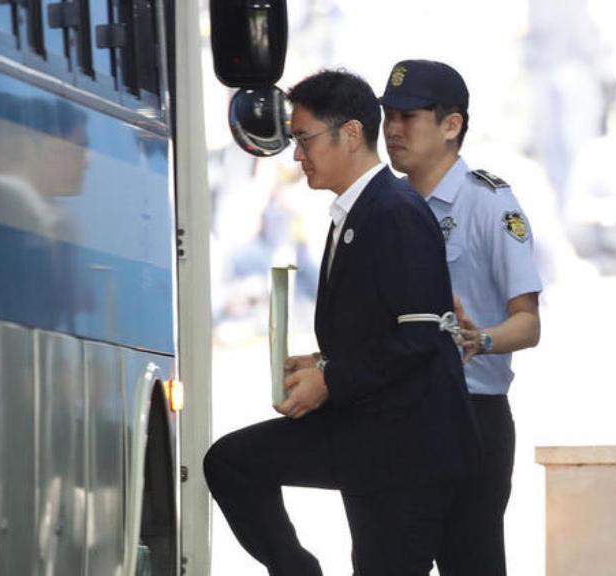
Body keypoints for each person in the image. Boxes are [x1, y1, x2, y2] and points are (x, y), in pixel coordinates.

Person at [203, 69, 478, 576]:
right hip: (366, 430)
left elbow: (418, 336)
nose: (297, 155)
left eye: (304, 139)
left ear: (350, 134)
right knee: (231, 461)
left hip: (407, 446)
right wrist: (323, 361)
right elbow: (380, 327)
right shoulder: (355, 212)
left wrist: (330, 378)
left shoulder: (393, 210)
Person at [380, 59, 543, 576]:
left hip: (472, 415)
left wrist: (482, 340)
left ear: (452, 125)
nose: (392, 130)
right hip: (399, 414)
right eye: (388, 116)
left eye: (409, 116)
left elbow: (529, 322)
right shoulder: (387, 206)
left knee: (471, 563)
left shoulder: (490, 205)